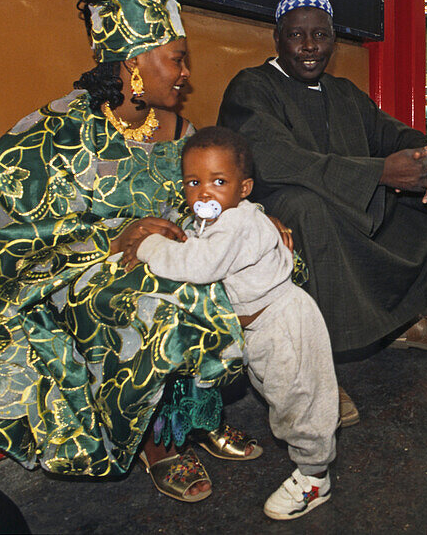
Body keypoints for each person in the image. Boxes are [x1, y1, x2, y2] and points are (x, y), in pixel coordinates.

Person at [0, 0, 264, 504]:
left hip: (174, 255)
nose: (185, 73)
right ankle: (161, 444)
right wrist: (111, 237)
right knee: (166, 302)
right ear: (133, 65)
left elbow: (215, 201)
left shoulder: (185, 134)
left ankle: (196, 417)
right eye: (176, 59)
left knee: (259, 270)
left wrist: (258, 226)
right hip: (79, 277)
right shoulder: (53, 137)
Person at [217, 0, 427, 419]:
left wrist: (420, 156)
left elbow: (389, 133)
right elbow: (276, 160)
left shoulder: (344, 92)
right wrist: (377, 174)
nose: (310, 46)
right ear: (278, 38)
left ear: (333, 39)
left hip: (350, 201)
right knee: (308, 207)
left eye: (321, 35)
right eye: (297, 35)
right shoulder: (252, 86)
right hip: (283, 210)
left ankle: (402, 318)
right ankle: (313, 369)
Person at [130, 127, 338, 520]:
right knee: (282, 397)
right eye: (194, 182)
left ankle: (315, 478)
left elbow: (200, 265)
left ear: (244, 188)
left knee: (297, 403)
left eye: (218, 182)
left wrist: (148, 245)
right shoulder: (218, 219)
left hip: (283, 323)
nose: (204, 193)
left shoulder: (237, 223)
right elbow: (204, 241)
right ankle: (317, 428)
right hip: (258, 329)